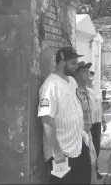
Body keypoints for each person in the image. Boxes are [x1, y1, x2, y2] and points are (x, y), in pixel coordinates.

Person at [38, 46, 91, 184]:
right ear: (62, 62)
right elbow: (46, 120)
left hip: (79, 145)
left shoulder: (72, 81)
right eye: (73, 63)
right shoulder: (50, 86)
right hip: (62, 152)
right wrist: (57, 153)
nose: (76, 66)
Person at [74, 62, 99, 184]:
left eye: (88, 70)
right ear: (76, 75)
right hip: (77, 136)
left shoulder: (90, 92)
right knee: (82, 169)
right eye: (84, 71)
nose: (88, 73)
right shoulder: (74, 92)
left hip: (88, 134)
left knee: (92, 164)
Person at [86, 69, 107, 180]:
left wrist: (103, 120)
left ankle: (95, 169)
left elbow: (100, 106)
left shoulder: (95, 88)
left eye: (92, 73)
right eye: (89, 73)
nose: (91, 75)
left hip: (97, 122)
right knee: (90, 148)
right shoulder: (83, 90)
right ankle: (91, 171)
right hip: (89, 123)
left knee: (97, 148)